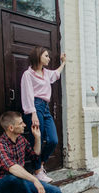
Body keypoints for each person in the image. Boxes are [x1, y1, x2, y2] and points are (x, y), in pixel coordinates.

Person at [21, 46, 66, 183]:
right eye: (46, 56)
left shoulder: (46, 73)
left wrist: (63, 62)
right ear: (38, 56)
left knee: (53, 140)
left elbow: (57, 73)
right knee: (36, 140)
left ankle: (39, 165)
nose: (49, 58)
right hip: (34, 107)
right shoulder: (28, 74)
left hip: (45, 108)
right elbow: (27, 94)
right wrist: (33, 113)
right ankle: (37, 171)